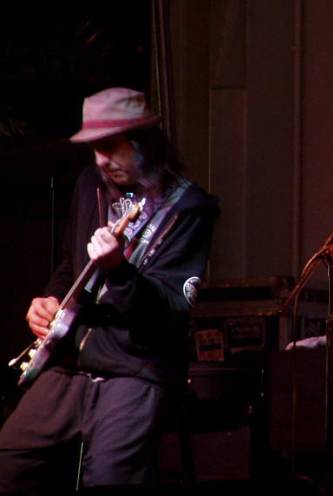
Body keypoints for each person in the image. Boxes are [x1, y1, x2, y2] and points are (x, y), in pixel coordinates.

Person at [0, 87, 219, 494]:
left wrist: (119, 271)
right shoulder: (90, 183)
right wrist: (48, 301)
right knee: (8, 464)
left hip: (136, 370)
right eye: (94, 149)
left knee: (108, 482)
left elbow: (169, 312)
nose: (100, 160)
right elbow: (70, 263)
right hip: (71, 362)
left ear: (144, 142)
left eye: (110, 147)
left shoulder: (190, 210)